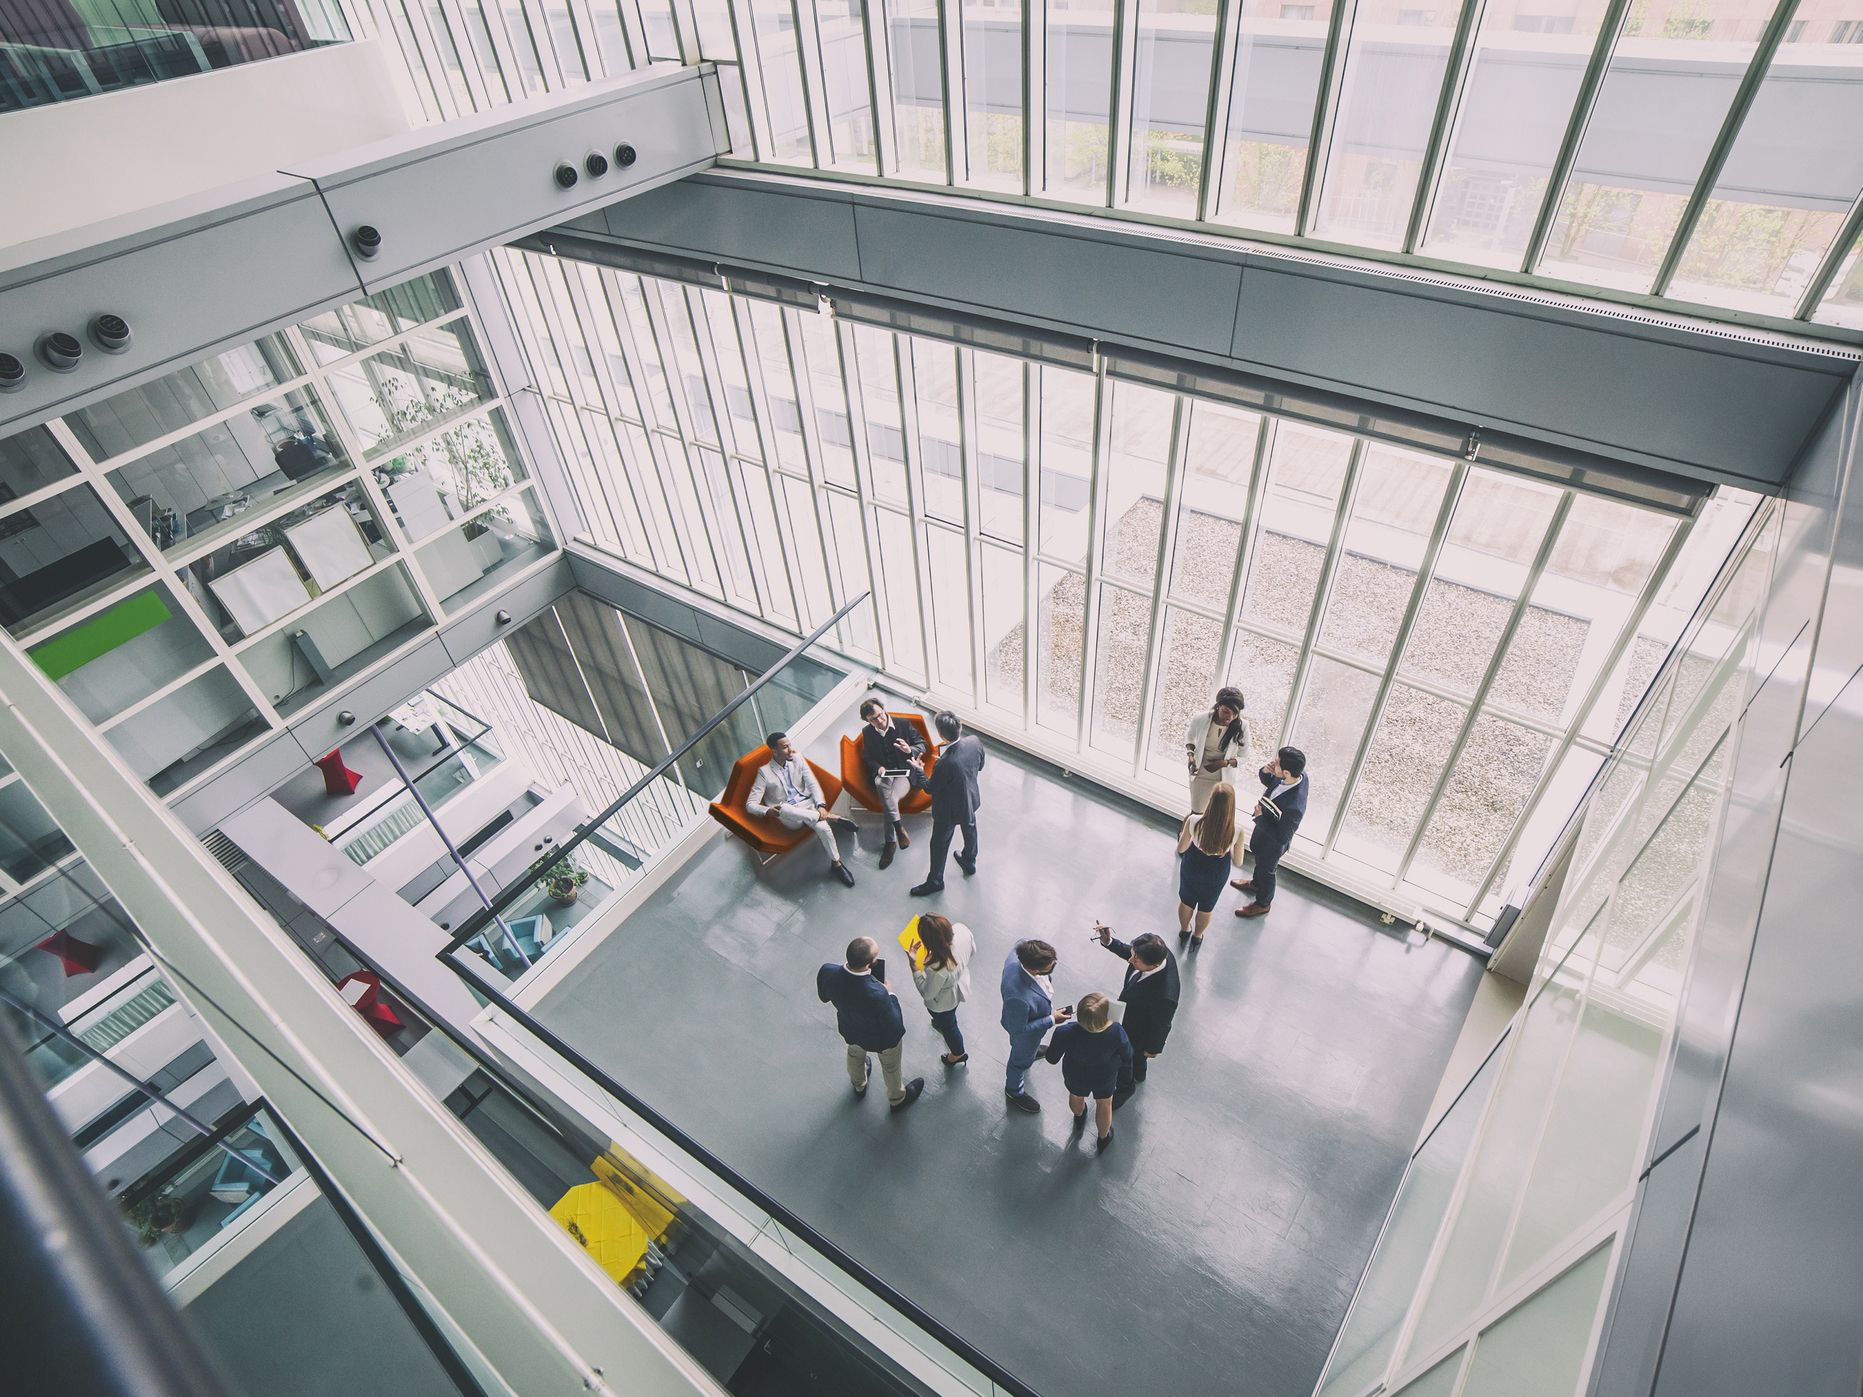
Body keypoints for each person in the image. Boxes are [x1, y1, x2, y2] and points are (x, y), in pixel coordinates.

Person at [816, 937, 925, 1112]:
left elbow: (824, 997)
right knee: (890, 1066)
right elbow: (895, 1026)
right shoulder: (878, 994)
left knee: (854, 1055)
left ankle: (859, 1085)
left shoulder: (827, 971)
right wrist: (890, 995)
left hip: (850, 1028)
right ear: (868, 966)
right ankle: (897, 1099)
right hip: (881, 1039)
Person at [756, 731, 859, 886]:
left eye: (790, 745)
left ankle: (836, 864)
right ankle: (833, 817)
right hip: (789, 815)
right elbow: (750, 804)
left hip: (808, 805)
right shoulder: (764, 772)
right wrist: (767, 810)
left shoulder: (797, 758)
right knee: (783, 808)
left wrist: (821, 806)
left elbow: (812, 783)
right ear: (775, 752)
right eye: (785, 747)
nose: (791, 750)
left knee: (824, 829)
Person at [1094, 924, 1179, 1108]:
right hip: (1126, 1004)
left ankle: (1125, 1087)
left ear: (1154, 966)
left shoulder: (1165, 994)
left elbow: (1162, 1023)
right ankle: (1140, 1071)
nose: (1130, 960)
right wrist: (1109, 942)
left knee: (1128, 1054)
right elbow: (1131, 953)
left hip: (1138, 1027)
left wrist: (1153, 1048)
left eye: (1136, 960)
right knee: (1132, 1054)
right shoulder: (1156, 953)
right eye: (1133, 955)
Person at [1042, 991, 1132, 1154]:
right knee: (1105, 1104)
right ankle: (1103, 1138)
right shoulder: (1116, 1030)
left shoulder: (1065, 1032)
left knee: (1076, 1096)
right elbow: (1128, 1054)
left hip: (1075, 1074)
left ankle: (1079, 1116)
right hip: (1104, 1077)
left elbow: (1052, 1058)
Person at [910, 711, 984, 896]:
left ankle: (935, 881)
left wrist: (919, 770)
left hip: (948, 811)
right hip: (970, 799)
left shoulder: (944, 764)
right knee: (970, 829)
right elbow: (979, 766)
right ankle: (969, 861)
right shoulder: (974, 741)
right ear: (959, 727)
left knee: (939, 844)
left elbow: (929, 788)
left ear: (941, 735)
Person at [1233, 747, 1308, 919]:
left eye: (1277, 764)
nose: (1273, 764)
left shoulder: (1294, 807)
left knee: (1267, 871)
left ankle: (1262, 904)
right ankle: (1255, 884)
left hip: (1272, 845)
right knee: (1259, 863)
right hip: (1263, 837)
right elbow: (1270, 782)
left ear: (1287, 773)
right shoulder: (1297, 775)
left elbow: (1282, 837)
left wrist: (1260, 819)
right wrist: (1265, 772)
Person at [857, 696, 927, 870]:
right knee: (881, 784)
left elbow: (923, 744)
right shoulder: (867, 732)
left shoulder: (902, 724)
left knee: (888, 799)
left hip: (903, 773)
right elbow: (867, 757)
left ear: (883, 709)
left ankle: (891, 842)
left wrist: (910, 750)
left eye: (880, 715)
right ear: (867, 720)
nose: (879, 720)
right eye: (873, 719)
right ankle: (899, 829)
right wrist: (878, 767)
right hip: (885, 773)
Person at [999, 938, 1068, 1114]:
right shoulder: (1018, 997)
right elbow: (1018, 1029)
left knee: (1029, 1048)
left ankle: (1034, 1050)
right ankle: (1014, 1091)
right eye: (1051, 965)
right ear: (1034, 969)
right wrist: (1052, 1019)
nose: (1055, 964)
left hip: (1030, 1019)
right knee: (1018, 1062)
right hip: (1024, 1035)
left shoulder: (1021, 948)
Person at [1177, 783, 1246, 945]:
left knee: (1187, 900)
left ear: (1210, 800)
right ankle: (1198, 936)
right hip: (1217, 870)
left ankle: (1185, 929)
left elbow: (1181, 848)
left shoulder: (1193, 821)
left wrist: (1183, 835)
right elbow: (1238, 862)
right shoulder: (1237, 831)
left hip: (1193, 863)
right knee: (1207, 906)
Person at [907, 912, 975, 1065]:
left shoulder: (936, 967)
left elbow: (927, 993)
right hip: (960, 984)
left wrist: (914, 967)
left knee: (950, 1027)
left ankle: (958, 1053)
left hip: (943, 1004)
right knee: (948, 1019)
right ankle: (941, 1023)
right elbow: (973, 950)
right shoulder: (961, 929)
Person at [1184, 687, 1250, 816]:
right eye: (1226, 712)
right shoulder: (1201, 718)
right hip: (1200, 773)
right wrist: (1190, 756)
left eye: (1235, 714)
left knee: (1215, 817)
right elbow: (1190, 736)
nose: (1230, 717)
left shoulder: (1242, 726)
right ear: (1218, 705)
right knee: (1196, 813)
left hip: (1223, 778)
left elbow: (1245, 756)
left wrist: (1224, 763)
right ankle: (1185, 835)